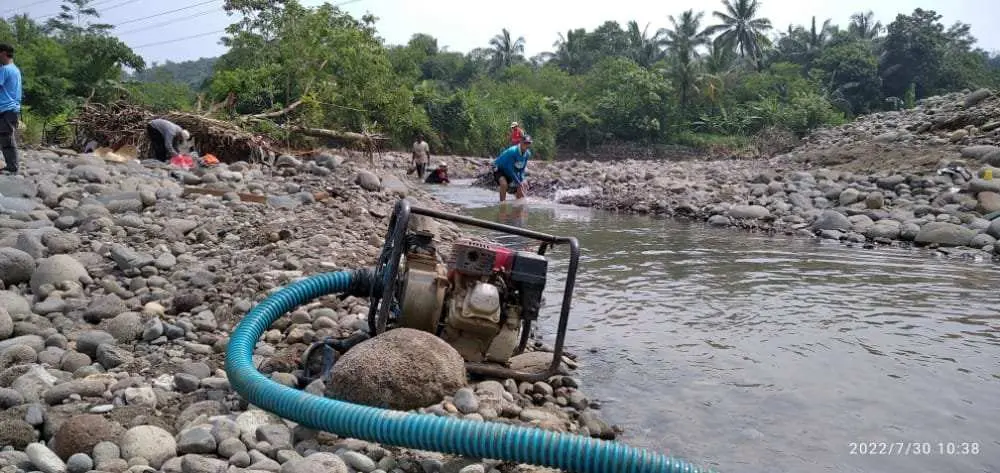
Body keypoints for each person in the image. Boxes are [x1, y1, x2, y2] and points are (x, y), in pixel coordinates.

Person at [0, 43, 22, 175]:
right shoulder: (15, 69)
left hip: (6, 109)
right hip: (11, 109)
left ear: (2, 53)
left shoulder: (5, 70)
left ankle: (12, 167)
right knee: (5, 137)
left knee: (6, 138)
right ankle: (11, 165)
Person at [493, 135, 533, 202]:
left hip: (512, 169)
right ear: (520, 142)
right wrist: (518, 182)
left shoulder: (527, 154)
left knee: (523, 184)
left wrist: (521, 180)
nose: (527, 145)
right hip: (499, 168)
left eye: (529, 143)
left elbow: (522, 169)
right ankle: (502, 203)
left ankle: (518, 204)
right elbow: (509, 169)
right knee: (504, 184)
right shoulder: (512, 151)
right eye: (525, 143)